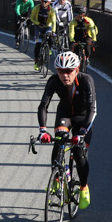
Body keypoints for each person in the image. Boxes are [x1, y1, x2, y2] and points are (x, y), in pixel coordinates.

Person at [37, 51, 97, 209]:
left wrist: (83, 132)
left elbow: (92, 109)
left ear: (77, 69)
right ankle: (57, 179)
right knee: (59, 140)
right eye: (60, 71)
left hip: (83, 117)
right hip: (64, 114)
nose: (65, 75)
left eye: (69, 71)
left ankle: (84, 187)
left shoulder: (86, 80)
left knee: (78, 153)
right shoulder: (54, 81)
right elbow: (43, 106)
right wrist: (43, 130)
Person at [30, 0, 58, 71]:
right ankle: (36, 62)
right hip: (38, 27)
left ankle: (49, 48)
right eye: (42, 1)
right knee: (38, 44)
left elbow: (53, 21)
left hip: (47, 26)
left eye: (46, 2)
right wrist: (38, 23)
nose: (44, 3)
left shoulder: (51, 10)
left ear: (49, 3)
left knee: (50, 37)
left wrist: (53, 31)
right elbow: (32, 18)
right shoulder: (36, 8)